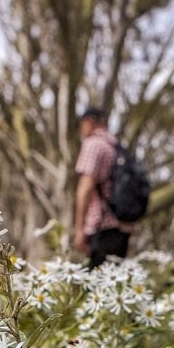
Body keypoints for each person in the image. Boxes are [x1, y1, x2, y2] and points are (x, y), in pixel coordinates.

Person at [74, 106, 134, 268]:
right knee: (114, 279)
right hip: (122, 225)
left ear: (89, 122)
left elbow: (85, 188)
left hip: (101, 224)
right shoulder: (115, 145)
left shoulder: (93, 144)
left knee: (95, 284)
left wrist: (79, 229)